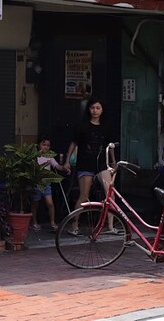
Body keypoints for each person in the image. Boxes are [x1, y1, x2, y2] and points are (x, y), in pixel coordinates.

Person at [62, 98, 118, 234]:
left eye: (98, 108)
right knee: (84, 195)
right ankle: (74, 225)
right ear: (88, 109)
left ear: (102, 110)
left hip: (102, 164)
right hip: (85, 164)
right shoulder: (82, 125)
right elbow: (73, 143)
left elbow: (110, 146)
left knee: (110, 193)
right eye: (92, 108)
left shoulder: (106, 126)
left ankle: (110, 226)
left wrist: (113, 162)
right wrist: (67, 160)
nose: (95, 111)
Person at [30, 134, 65, 231]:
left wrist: (64, 168)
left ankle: (52, 222)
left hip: (46, 184)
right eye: (43, 145)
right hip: (36, 183)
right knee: (35, 204)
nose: (46, 147)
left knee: (50, 203)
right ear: (38, 145)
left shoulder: (49, 157)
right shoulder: (34, 156)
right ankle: (34, 222)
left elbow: (57, 166)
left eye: (48, 145)